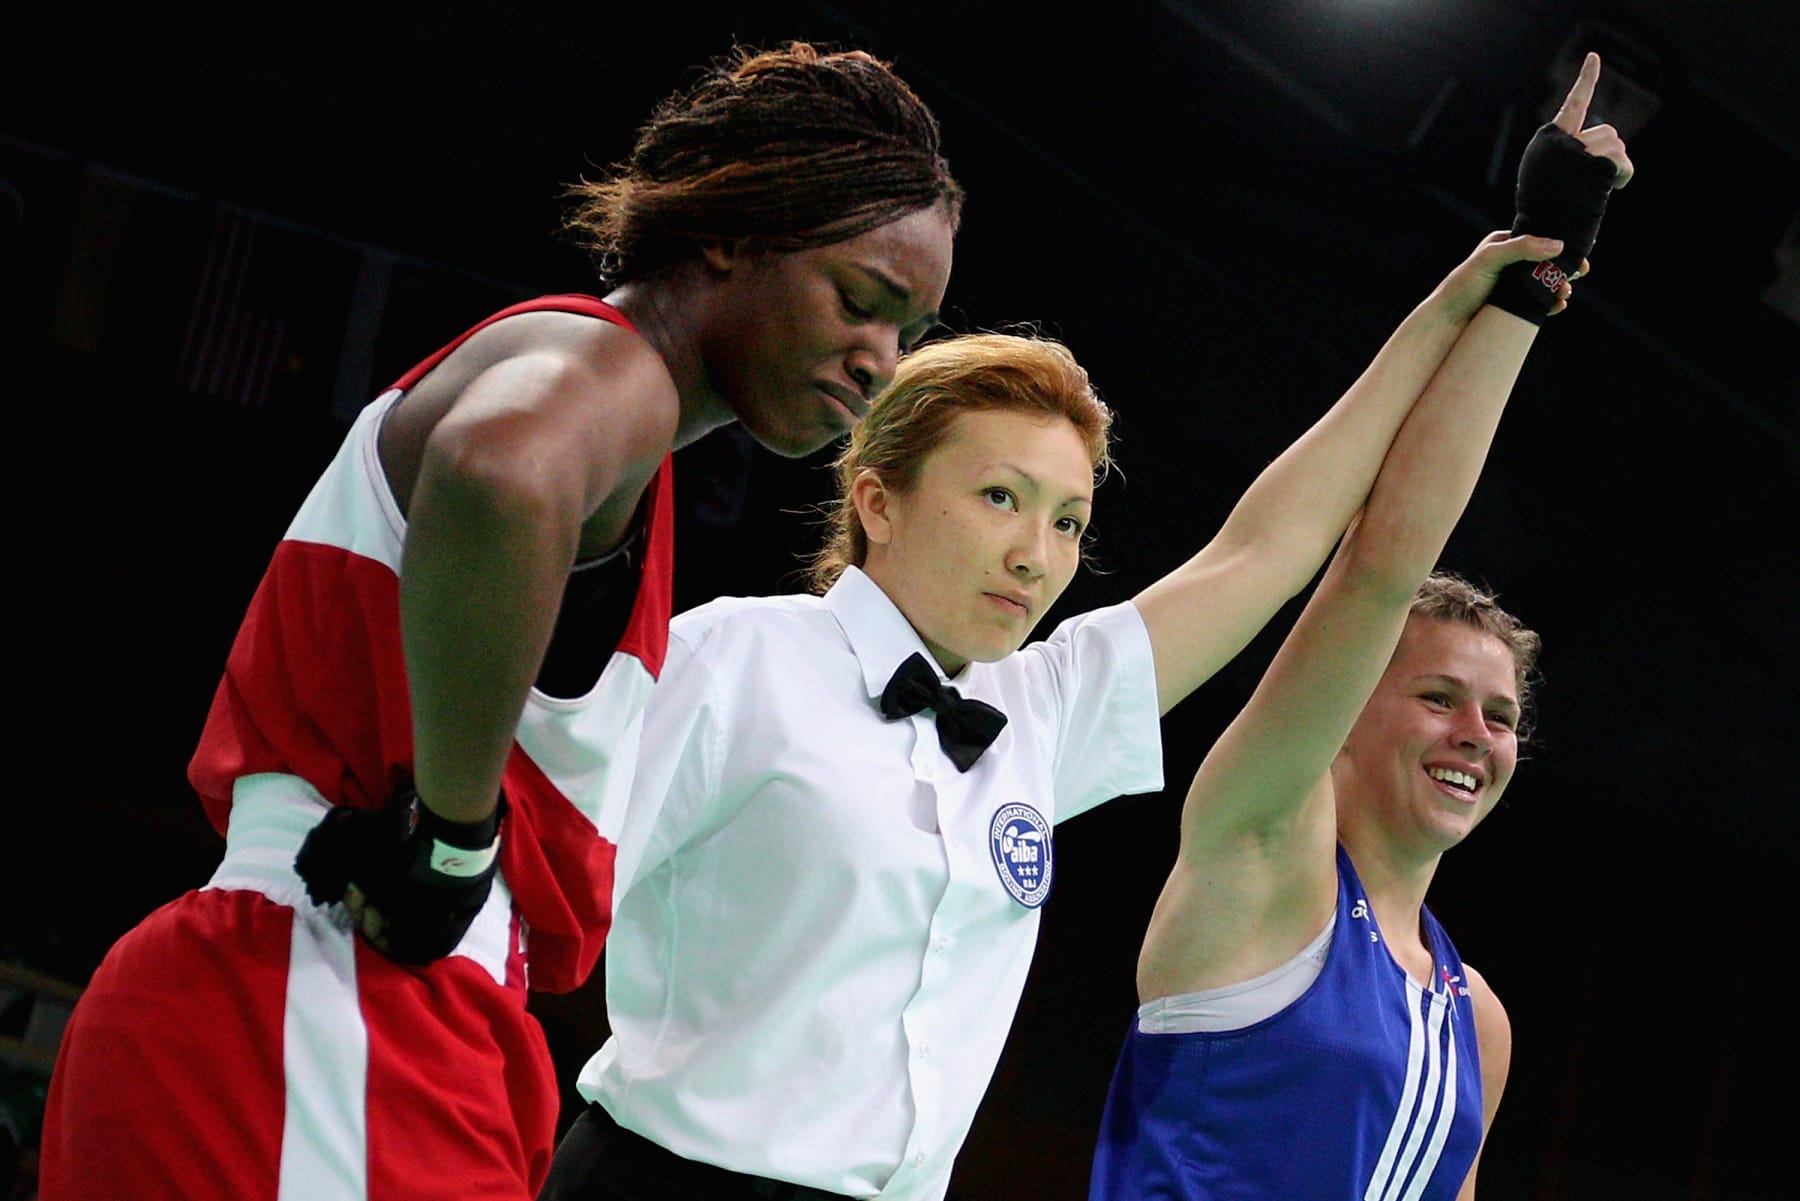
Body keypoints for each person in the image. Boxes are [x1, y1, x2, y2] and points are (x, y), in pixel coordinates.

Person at [536, 54, 1627, 1201]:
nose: (1035, 553)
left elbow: (1276, 547)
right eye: (1000, 497)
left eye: (1067, 520)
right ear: (879, 496)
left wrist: (1481, 289)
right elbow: (530, 889)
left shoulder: (1036, 712)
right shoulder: (733, 658)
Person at [38, 41, 960, 1201]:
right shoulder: (608, 367)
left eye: (907, 333)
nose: (879, 359)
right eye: (860, 301)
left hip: (310, 1005)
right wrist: (452, 836)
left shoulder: (593, 396)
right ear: (732, 230)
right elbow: (501, 471)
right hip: (337, 1007)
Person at [1087, 55, 1633, 1201]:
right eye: (1438, 695)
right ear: (1344, 710)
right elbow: (1380, 566)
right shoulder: (1257, 854)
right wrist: (1531, 283)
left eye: (1498, 716)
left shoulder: (1475, 1021)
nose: (1475, 734)